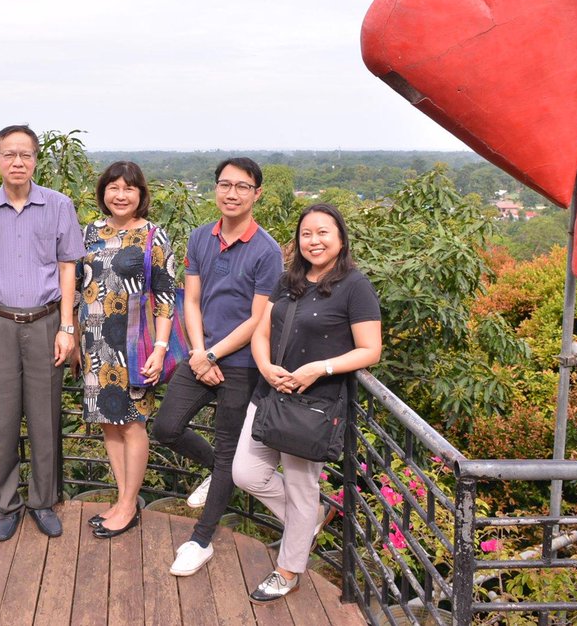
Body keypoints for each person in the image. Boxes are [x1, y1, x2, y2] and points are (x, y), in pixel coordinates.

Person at [234, 203, 382, 603]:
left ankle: (288, 570)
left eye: (323, 233)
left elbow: (370, 350)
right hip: (270, 393)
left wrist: (320, 368)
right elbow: (261, 330)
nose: (313, 241)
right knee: (246, 473)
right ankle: (310, 519)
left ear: (340, 238)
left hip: (313, 405)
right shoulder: (288, 281)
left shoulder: (355, 286)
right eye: (306, 234)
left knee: (301, 487)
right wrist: (264, 366)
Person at [151, 157, 283, 576]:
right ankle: (214, 472)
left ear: (256, 193)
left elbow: (257, 319)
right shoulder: (199, 238)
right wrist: (199, 351)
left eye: (242, 186)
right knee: (166, 428)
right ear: (215, 189)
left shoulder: (267, 251)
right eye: (225, 184)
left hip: (242, 364)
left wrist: (212, 354)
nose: (231, 193)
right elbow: (190, 299)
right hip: (200, 354)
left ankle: (201, 539)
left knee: (230, 449)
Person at [0, 125, 86, 542]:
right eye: (9, 154)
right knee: (1, 416)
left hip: (46, 321)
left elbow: (68, 266)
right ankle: (6, 502)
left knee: (44, 414)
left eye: (26, 155)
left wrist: (67, 327)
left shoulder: (58, 206)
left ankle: (43, 501)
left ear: (36, 160)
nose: (18, 162)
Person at [76, 161, 176, 539]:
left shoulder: (153, 235)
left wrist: (161, 348)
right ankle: (121, 499)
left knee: (133, 424)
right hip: (94, 343)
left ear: (140, 194)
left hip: (133, 346)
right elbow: (76, 288)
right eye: (113, 187)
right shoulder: (89, 232)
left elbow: (166, 297)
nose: (120, 195)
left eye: (128, 188)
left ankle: (130, 505)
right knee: (109, 424)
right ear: (103, 192)